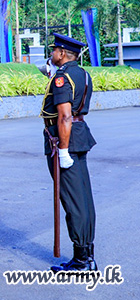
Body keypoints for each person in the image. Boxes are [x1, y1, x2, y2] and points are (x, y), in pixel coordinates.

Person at [40, 33, 97, 272]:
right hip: (79, 137)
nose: (51, 54)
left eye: (53, 51)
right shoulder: (82, 74)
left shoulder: (62, 79)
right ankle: (86, 255)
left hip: (65, 141)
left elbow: (64, 116)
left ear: (62, 53)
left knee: (73, 200)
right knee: (83, 197)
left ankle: (82, 262)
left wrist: (62, 150)